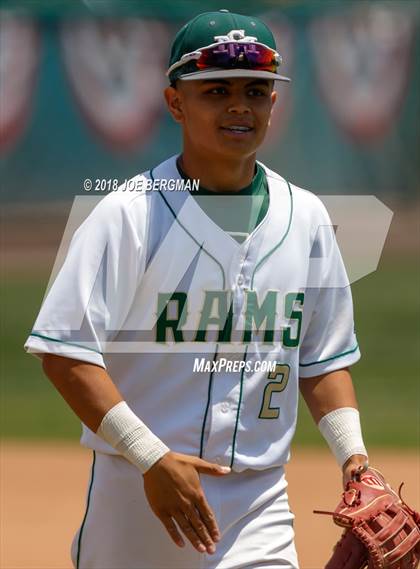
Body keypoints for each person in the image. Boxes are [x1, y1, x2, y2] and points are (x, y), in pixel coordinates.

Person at [25, 10, 369, 569]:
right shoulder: (128, 215)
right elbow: (64, 352)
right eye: (216, 90)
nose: (239, 105)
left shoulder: (305, 217)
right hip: (138, 493)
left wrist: (355, 460)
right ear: (175, 103)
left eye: (256, 90)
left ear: (273, 105)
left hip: (258, 503)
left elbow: (323, 361)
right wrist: (150, 457)